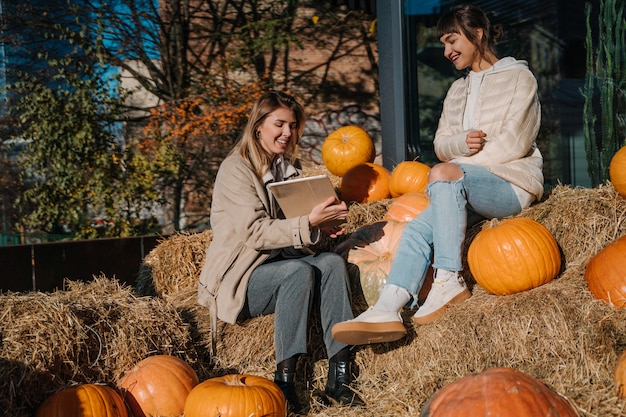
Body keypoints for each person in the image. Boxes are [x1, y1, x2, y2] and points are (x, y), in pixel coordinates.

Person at [332, 4, 544, 345]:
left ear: (477, 34)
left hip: (510, 184)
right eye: (443, 43)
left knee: (444, 175)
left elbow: (515, 143)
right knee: (416, 228)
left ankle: (449, 278)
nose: (446, 52)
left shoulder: (519, 78)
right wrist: (460, 143)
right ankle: (388, 306)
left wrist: (458, 167)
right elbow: (441, 144)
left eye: (452, 41)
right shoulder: (457, 90)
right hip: (464, 187)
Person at [197, 90, 365, 414]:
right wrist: (307, 221)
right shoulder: (236, 170)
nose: (287, 133)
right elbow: (255, 232)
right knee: (298, 272)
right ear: (258, 125)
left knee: (330, 263)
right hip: (239, 278)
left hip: (277, 262)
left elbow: (293, 234)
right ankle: (286, 383)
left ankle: (339, 376)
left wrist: (320, 228)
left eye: (292, 126)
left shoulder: (285, 169)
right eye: (279, 124)